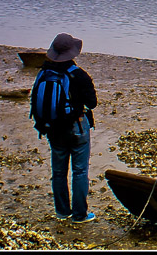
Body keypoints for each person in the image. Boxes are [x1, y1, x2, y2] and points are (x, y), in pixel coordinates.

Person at [32, 32, 98, 223]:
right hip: (77, 128)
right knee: (79, 171)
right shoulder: (79, 75)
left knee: (59, 171)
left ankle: (62, 212)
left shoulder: (44, 73)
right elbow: (92, 103)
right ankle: (79, 215)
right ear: (73, 53)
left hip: (52, 129)